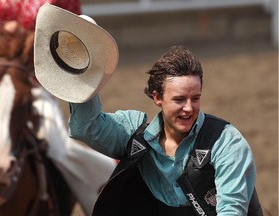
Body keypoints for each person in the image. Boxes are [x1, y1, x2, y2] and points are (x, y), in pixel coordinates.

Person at [67, 45, 262, 216]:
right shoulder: (135, 134)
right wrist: (82, 72)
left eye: (195, 98)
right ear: (157, 98)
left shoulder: (226, 142)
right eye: (179, 99)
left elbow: (231, 210)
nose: (189, 107)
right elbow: (86, 127)